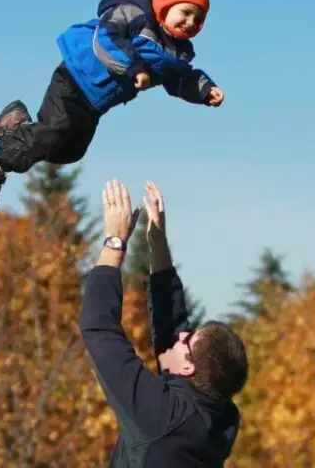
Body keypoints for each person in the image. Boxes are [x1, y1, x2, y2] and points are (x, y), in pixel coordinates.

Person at [0, 0, 226, 212]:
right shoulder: (134, 13)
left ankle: (14, 124)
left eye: (198, 19)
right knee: (53, 132)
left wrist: (205, 90)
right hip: (74, 78)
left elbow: (179, 78)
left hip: (94, 104)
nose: (190, 22)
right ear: (165, 2)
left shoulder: (173, 51)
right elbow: (106, 39)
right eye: (185, 12)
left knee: (70, 150)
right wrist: (134, 68)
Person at [80, 179, 248, 466]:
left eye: (190, 340)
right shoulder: (221, 417)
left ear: (187, 367)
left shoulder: (162, 419)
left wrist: (115, 241)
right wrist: (157, 244)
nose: (183, 334)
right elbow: (173, 329)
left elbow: (98, 328)